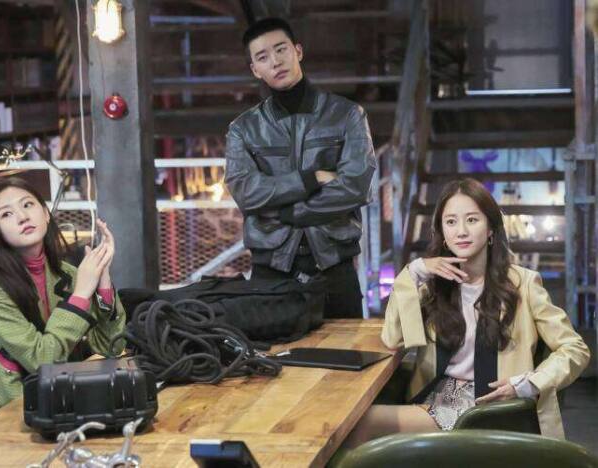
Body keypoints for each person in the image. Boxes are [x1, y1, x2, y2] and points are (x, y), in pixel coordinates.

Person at [344, 178, 590, 444]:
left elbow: (575, 349)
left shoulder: (524, 284)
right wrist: (414, 271)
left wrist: (529, 383)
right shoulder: (433, 286)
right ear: (442, 232)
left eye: (472, 220)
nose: (461, 231)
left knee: (359, 424)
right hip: (436, 396)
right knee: (352, 421)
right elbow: (393, 339)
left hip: (488, 405)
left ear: (490, 229)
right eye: (451, 222)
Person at [225, 17, 377, 318]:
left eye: (281, 49)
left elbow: (356, 186)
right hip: (271, 271)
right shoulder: (243, 129)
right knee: (273, 349)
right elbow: (245, 192)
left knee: (345, 347)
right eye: (263, 57)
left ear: (298, 51)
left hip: (334, 266)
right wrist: (311, 179)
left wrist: (290, 213)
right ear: (255, 69)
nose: (275, 62)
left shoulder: (347, 115)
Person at [0, 177, 126, 406]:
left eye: (27, 205)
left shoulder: (67, 274)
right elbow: (42, 360)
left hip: (51, 395)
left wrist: (103, 281)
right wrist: (81, 295)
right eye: (6, 214)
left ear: (45, 214)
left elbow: (111, 348)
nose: (22, 217)